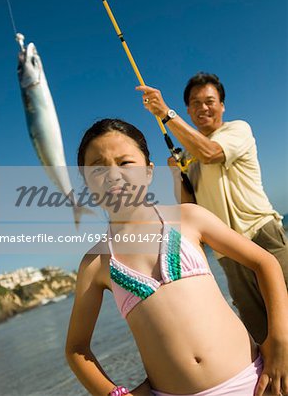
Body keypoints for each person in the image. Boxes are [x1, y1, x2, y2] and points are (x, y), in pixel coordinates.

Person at [65, 118, 288, 396]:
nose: (113, 175)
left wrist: (279, 342)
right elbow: (76, 348)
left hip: (255, 381)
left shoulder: (188, 217)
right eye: (98, 168)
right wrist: (115, 394)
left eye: (124, 163)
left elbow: (264, 262)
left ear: (148, 172)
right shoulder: (96, 263)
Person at [135, 74, 288, 344]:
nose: (203, 108)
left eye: (209, 101)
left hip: (263, 237)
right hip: (229, 254)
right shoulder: (189, 156)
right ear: (188, 111)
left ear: (222, 105)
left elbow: (210, 153)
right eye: (196, 103)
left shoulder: (237, 130)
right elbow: (187, 208)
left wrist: (166, 114)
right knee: (263, 337)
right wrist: (175, 173)